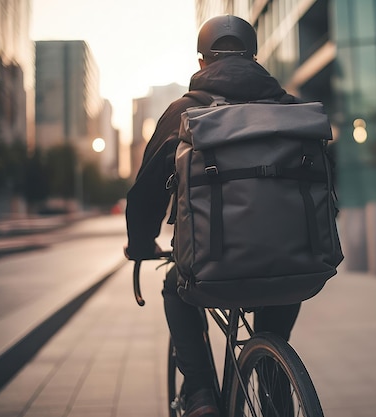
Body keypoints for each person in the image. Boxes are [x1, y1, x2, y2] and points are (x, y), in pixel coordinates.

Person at [125, 15, 301, 417]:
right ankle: (275, 383)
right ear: (254, 57)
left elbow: (146, 191)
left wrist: (140, 245)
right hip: (292, 264)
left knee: (175, 285)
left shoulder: (184, 111)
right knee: (273, 323)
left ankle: (202, 395)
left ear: (202, 62)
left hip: (212, 266)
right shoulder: (290, 109)